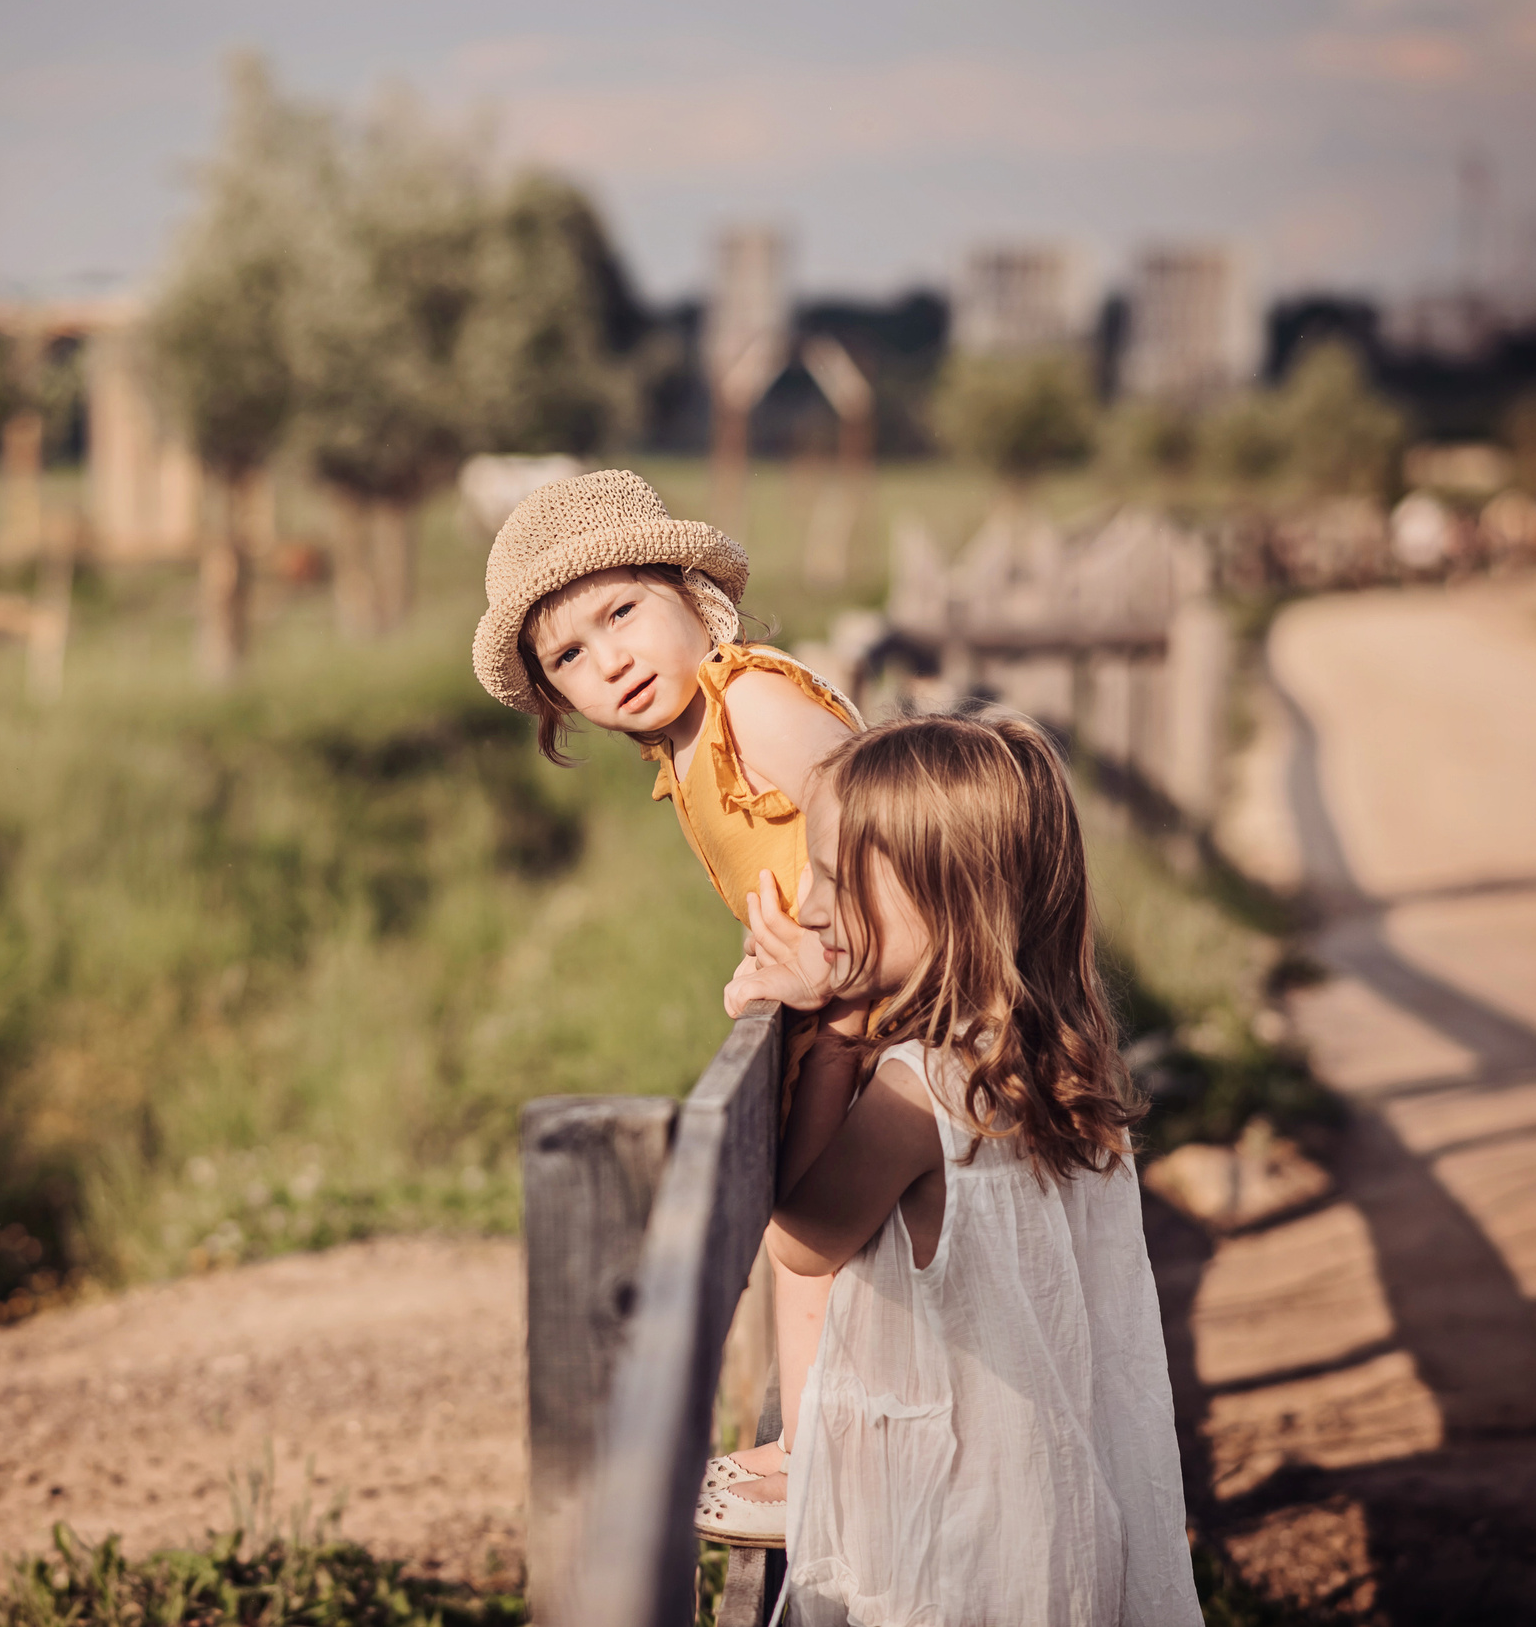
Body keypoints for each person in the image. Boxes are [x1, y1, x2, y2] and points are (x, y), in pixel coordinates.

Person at [700, 712, 1202, 1626]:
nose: (806, 904)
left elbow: (807, 1240)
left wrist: (835, 1037)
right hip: (1040, 1513)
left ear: (941, 901)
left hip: (947, 1537)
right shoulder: (1040, 1058)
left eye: (828, 876)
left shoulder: (921, 1090)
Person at [471, 467, 864, 1513]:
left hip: (883, 1005)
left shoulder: (752, 699)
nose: (611, 659)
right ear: (556, 698)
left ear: (695, 597)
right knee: (796, 1222)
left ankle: (819, 1448)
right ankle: (817, 1438)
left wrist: (819, 948)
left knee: (803, 1228)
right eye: (569, 654)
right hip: (844, 1010)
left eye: (621, 611)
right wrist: (768, 953)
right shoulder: (692, 745)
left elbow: (874, 815)